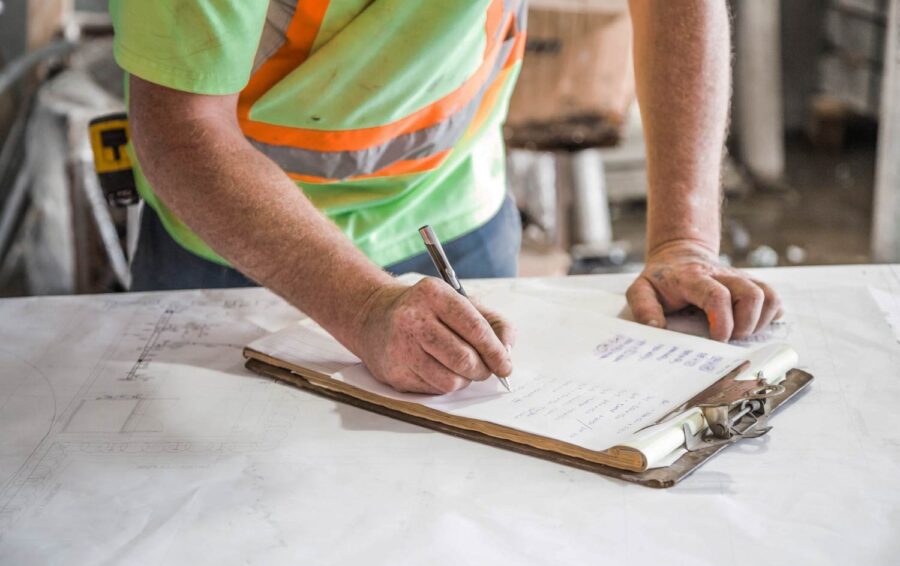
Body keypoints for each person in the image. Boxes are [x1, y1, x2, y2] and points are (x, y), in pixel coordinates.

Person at [111, 0, 782, 394]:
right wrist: (363, 305)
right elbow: (180, 127)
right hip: (239, 247)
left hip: (459, 213)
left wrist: (683, 240)